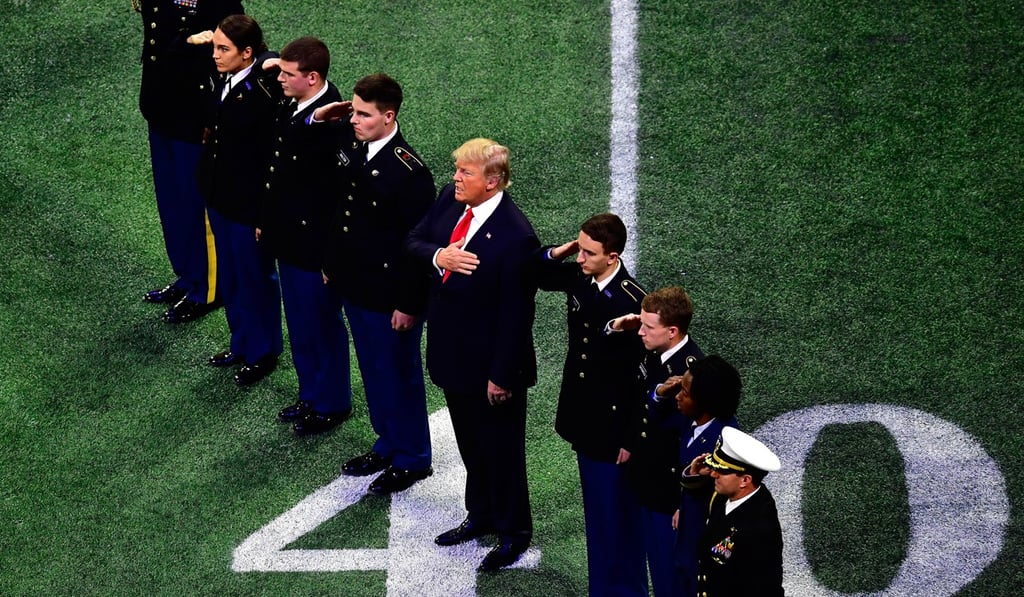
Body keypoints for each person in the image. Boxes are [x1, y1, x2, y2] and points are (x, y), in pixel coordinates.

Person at [407, 138, 539, 571]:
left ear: (493, 180)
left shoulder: (516, 236)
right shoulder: (450, 200)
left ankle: (513, 532)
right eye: (457, 170)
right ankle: (480, 515)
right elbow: (415, 240)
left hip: (490, 368)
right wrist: (438, 255)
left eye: (465, 172)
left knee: (501, 452)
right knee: (471, 444)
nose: (455, 178)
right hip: (452, 355)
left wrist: (501, 375)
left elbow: (516, 316)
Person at [314, 74, 435, 488]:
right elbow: (342, 212)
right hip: (356, 285)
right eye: (354, 110)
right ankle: (388, 441)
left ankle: (414, 456)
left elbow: (419, 248)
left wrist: (409, 304)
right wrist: (332, 261)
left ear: (389, 116)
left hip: (388, 296)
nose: (355, 119)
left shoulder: (411, 173)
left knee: (399, 373)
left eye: (364, 114)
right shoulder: (353, 145)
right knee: (373, 369)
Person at [534, 213, 648, 596]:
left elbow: (642, 381)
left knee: (618, 520)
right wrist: (558, 252)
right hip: (585, 419)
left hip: (614, 431)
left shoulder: (635, 304)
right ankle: (603, 589)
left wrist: (631, 438)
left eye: (588, 252)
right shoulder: (582, 277)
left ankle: (625, 591)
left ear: (612, 257)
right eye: (578, 249)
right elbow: (536, 274)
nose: (579, 259)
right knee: (599, 518)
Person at [255, 37, 351, 433]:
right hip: (290, 237)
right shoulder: (297, 105)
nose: (280, 78)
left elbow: (330, 186)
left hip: (314, 244)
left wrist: (311, 123)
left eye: (288, 74)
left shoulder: (333, 120)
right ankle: (311, 392)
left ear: (312, 78)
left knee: (321, 324)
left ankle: (332, 403)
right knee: (299, 321)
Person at [136, 0, 238, 322]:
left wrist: (212, 115)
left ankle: (207, 289)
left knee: (196, 206)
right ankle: (187, 275)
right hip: (159, 105)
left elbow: (230, 55)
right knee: (172, 202)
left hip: (194, 116)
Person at [195, 14, 283, 386]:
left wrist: (268, 59)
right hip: (220, 196)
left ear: (247, 53)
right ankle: (242, 341)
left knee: (255, 278)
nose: (215, 55)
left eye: (223, 49)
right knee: (232, 276)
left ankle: (263, 351)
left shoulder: (265, 90)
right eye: (215, 46)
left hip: (247, 205)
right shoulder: (227, 77)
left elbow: (268, 159)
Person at [610, 286, 703, 596]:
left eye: (649, 327)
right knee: (656, 565)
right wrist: (631, 441)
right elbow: (640, 404)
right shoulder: (655, 353)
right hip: (648, 480)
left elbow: (692, 442)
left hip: (669, 492)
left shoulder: (691, 377)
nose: (642, 333)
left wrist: (683, 501)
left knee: (670, 575)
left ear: (672, 331)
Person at [659, 355, 741, 596]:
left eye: (684, 391)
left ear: (704, 401)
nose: (678, 395)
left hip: (703, 546)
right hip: (688, 536)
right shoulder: (694, 422)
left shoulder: (723, 442)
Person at [684, 426, 784, 596]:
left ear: (745, 480)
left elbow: (761, 589)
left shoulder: (758, 529)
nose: (713, 474)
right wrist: (695, 474)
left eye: (721, 471)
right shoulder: (728, 493)